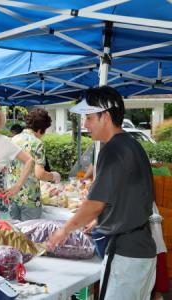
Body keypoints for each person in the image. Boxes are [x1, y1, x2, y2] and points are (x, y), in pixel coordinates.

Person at [47, 86, 156, 300]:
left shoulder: (113, 149)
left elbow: (94, 203)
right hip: (143, 250)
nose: (85, 125)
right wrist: (100, 221)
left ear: (105, 116)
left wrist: (65, 230)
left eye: (89, 118)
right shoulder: (132, 145)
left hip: (126, 254)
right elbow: (131, 196)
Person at [8, 108, 61, 221]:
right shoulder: (37, 143)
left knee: (14, 235)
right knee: (30, 235)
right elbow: (40, 174)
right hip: (30, 198)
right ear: (41, 129)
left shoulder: (13, 140)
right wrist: (53, 176)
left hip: (12, 195)